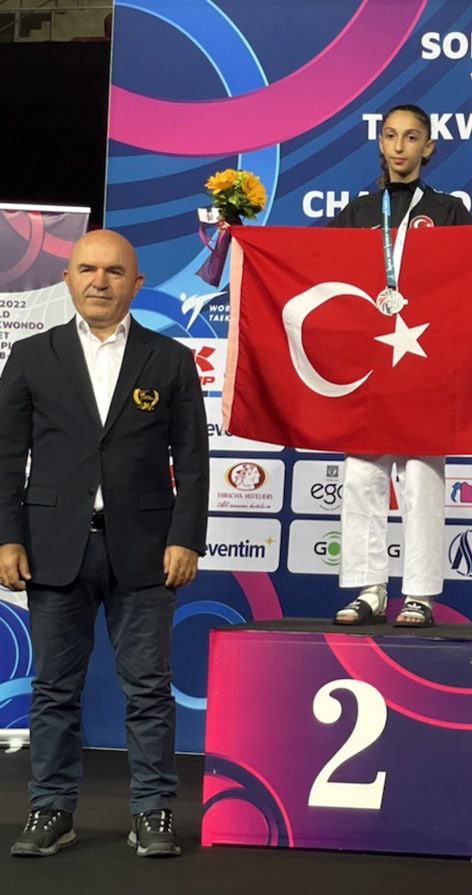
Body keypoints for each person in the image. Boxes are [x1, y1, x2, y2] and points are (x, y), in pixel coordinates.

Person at [0, 229, 209, 857]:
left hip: (147, 549)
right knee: (53, 690)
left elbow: (193, 461)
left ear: (136, 284)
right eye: (87, 269)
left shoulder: (170, 359)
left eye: (114, 271)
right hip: (52, 546)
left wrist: (185, 538)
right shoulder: (30, 357)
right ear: (66, 278)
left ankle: (153, 811)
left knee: (148, 689)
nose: (99, 281)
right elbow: (7, 457)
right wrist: (7, 538)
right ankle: (50, 808)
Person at [330, 102, 472, 627]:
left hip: (426, 363)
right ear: (380, 142)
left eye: (411, 137)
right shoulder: (357, 212)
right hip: (369, 366)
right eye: (391, 135)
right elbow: (316, 269)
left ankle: (418, 594)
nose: (399, 146)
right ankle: (368, 589)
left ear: (428, 147)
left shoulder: (449, 209)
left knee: (421, 478)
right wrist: (246, 239)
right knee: (362, 476)